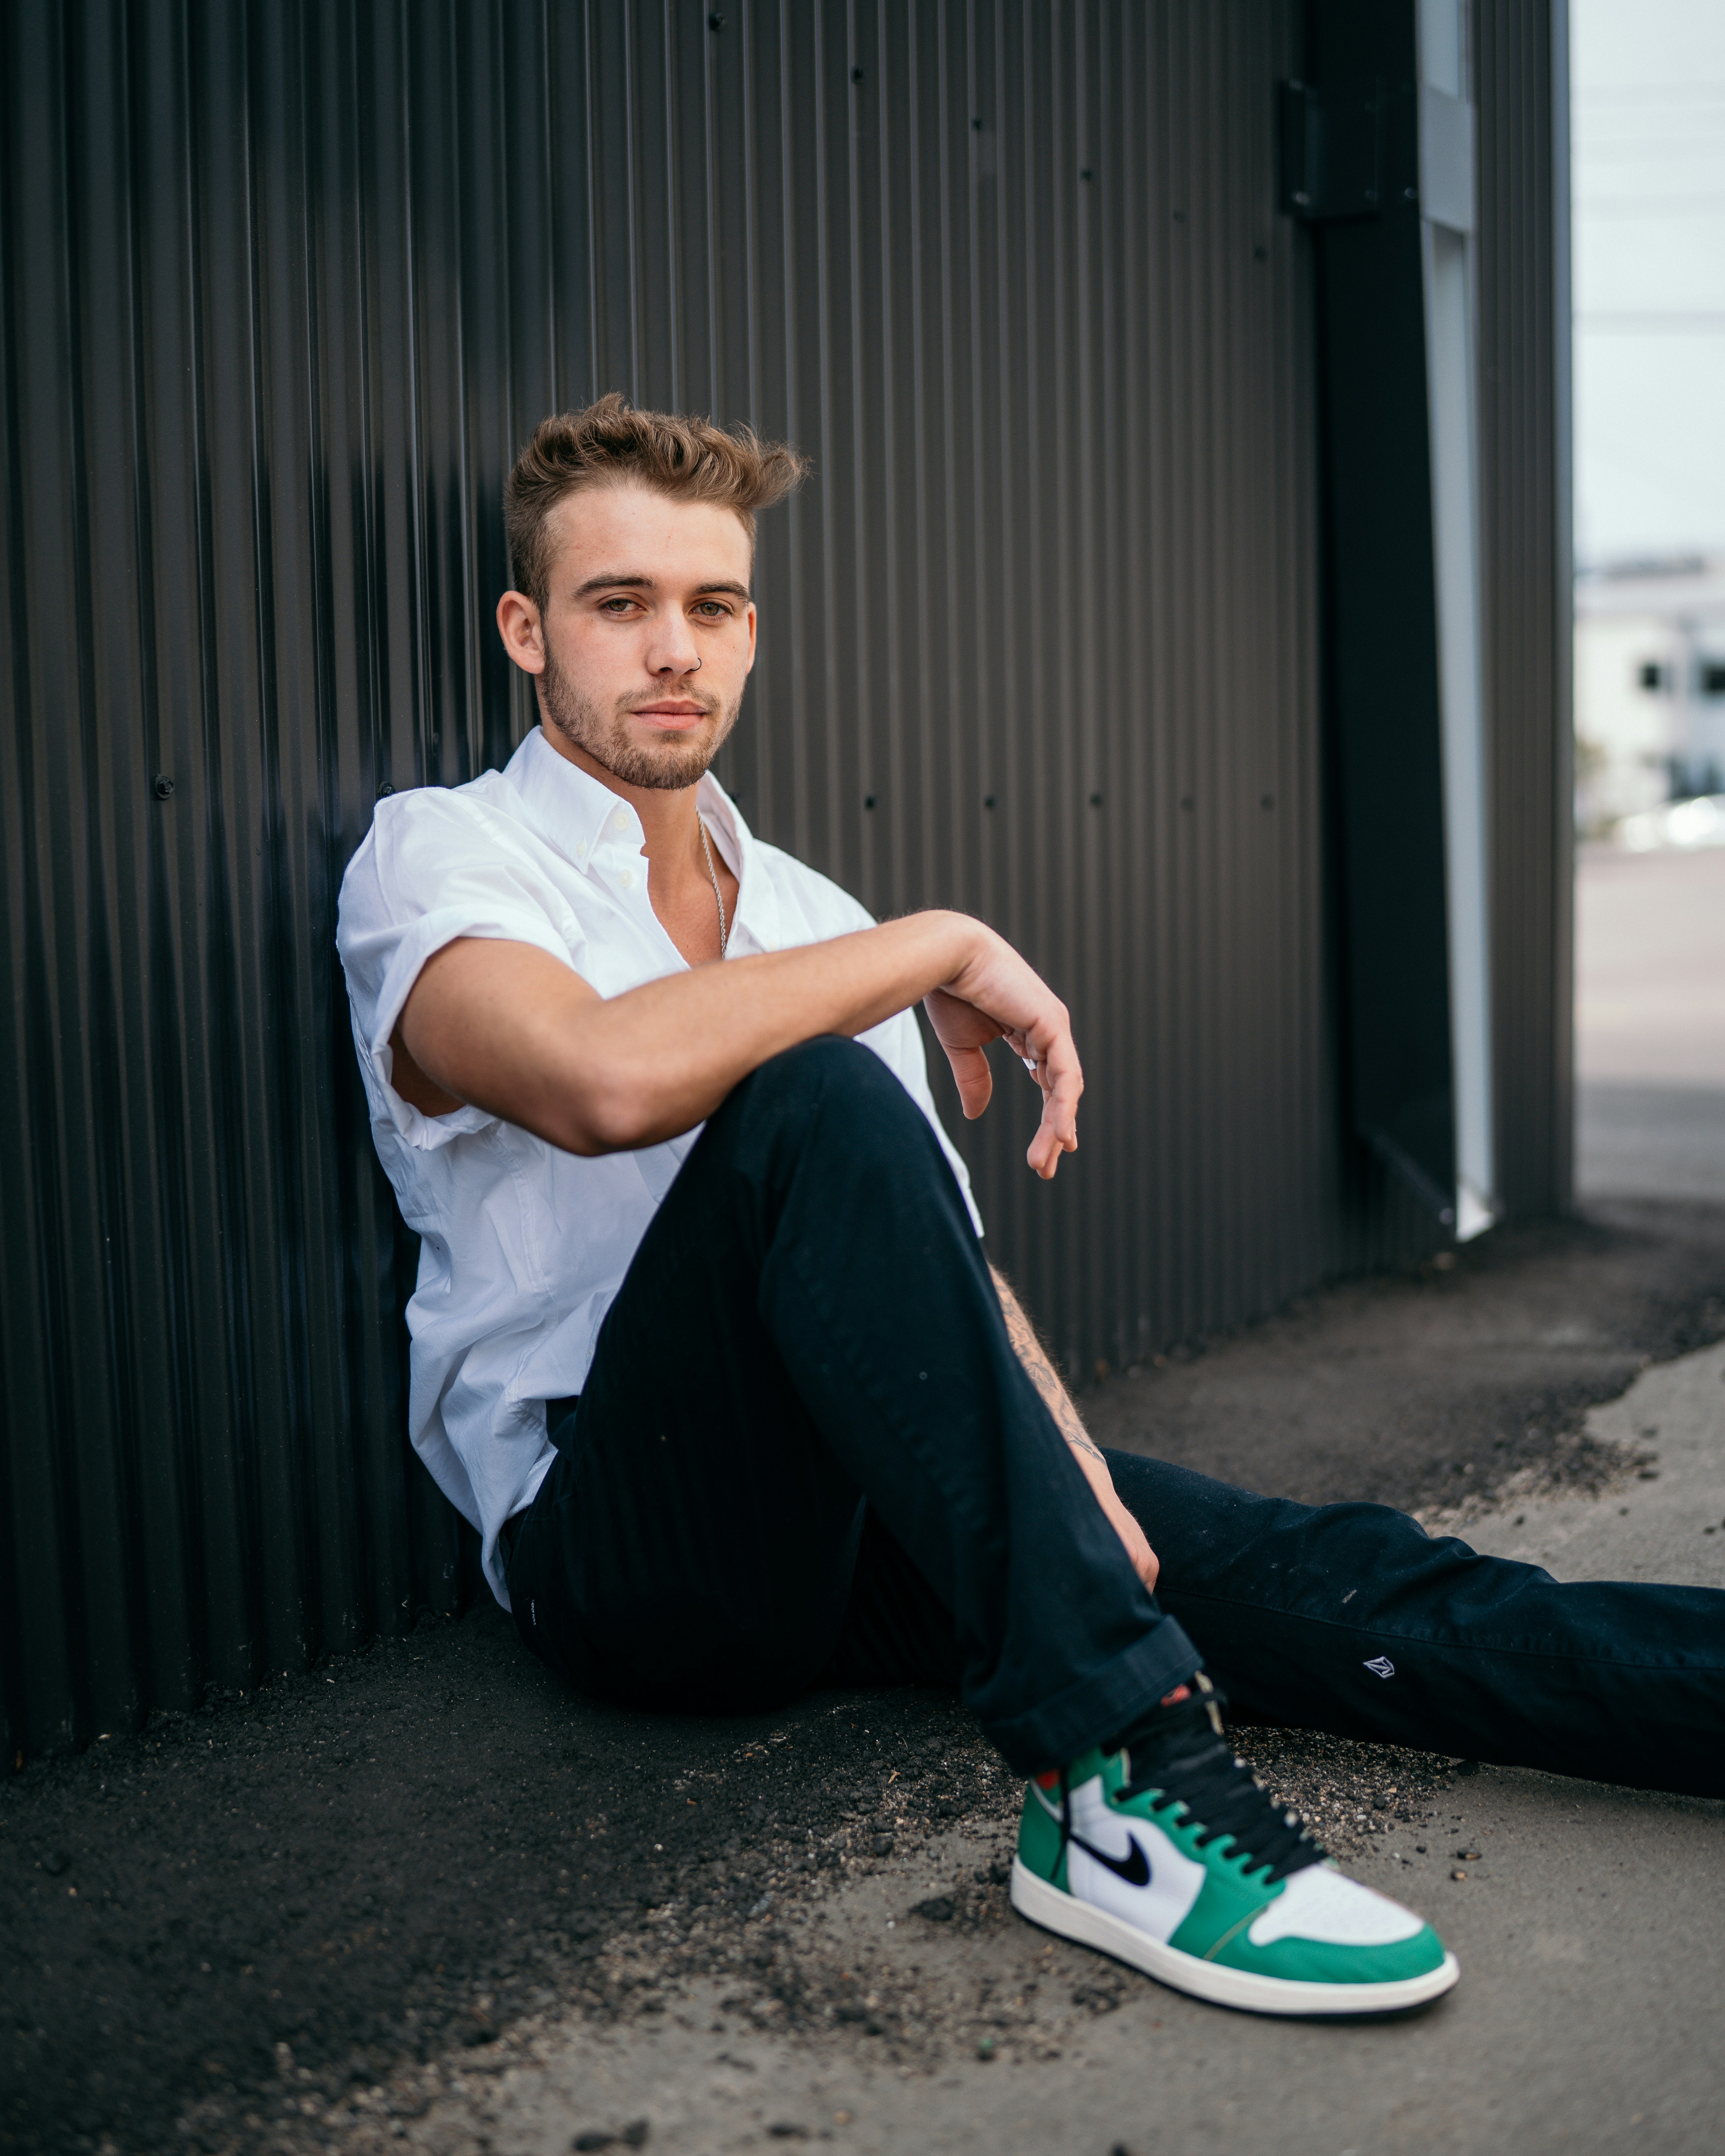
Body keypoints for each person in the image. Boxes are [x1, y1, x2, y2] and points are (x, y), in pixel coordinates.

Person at [337, 396, 1721, 2021]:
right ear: (528, 628)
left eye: (710, 606)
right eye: (617, 603)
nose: (671, 651)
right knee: (813, 1091)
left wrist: (1064, 1480)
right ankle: (1119, 1781)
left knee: (1340, 1580)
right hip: (627, 1551)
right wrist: (938, 944)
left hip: (849, 1495)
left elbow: (933, 1270)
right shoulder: (441, 856)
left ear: (751, 630)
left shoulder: (804, 914)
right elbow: (594, 1078)